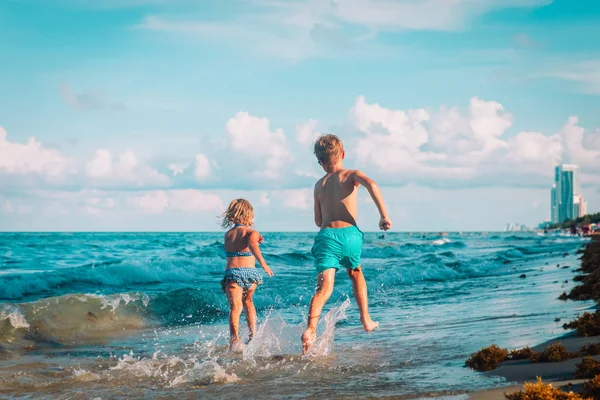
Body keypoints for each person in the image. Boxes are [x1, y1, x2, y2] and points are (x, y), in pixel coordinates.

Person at [301, 134, 392, 354]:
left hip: (327, 236)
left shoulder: (318, 185)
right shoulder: (351, 175)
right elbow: (371, 184)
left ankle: (311, 329)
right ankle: (366, 319)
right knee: (356, 273)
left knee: (323, 288)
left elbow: (317, 220)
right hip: (349, 234)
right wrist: (383, 215)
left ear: (320, 162)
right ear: (343, 154)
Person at [221, 199, 274, 352]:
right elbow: (251, 246)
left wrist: (253, 242)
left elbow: (239, 247)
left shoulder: (228, 234)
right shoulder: (252, 232)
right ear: (249, 215)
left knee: (235, 308)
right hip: (250, 273)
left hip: (232, 273)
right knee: (249, 302)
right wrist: (263, 264)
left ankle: (234, 339)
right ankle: (253, 335)